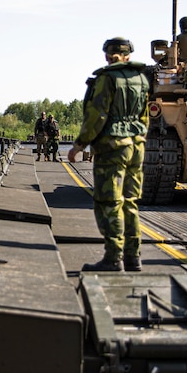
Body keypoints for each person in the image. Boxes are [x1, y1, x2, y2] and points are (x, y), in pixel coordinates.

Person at [68, 37, 151, 272]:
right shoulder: (141, 79)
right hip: (136, 146)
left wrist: (80, 145)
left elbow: (97, 115)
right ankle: (133, 257)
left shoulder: (107, 79)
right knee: (131, 203)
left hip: (112, 146)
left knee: (110, 202)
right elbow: (144, 116)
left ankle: (113, 258)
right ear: (128, 55)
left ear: (107, 55)